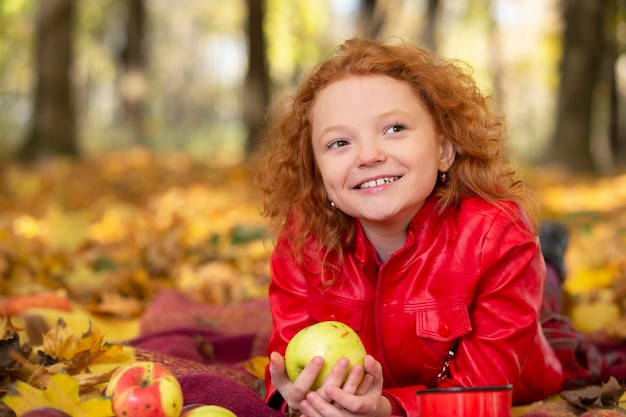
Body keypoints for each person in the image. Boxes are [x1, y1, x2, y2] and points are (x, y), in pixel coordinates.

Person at [255, 37, 564, 417]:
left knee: (549, 302)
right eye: (338, 142)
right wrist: (296, 397)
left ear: (444, 150)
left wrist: (388, 410)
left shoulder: (497, 237)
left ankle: (552, 263)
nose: (369, 155)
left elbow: (484, 392)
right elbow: (286, 356)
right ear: (318, 175)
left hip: (520, 370)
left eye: (394, 128)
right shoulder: (303, 240)